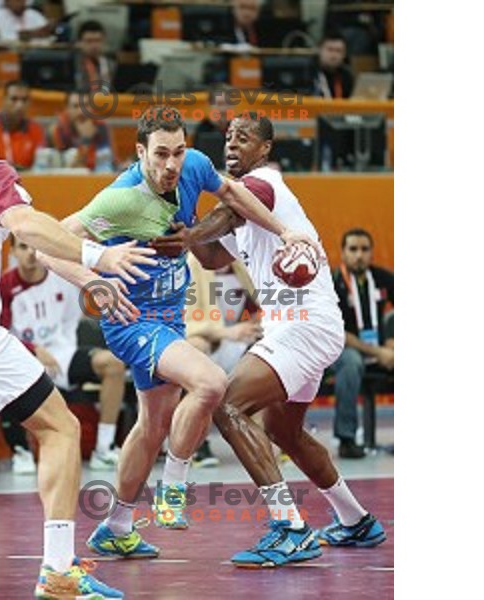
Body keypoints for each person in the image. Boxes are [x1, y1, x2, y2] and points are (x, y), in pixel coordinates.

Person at [36, 105, 305, 559]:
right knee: (211, 383)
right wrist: (95, 279)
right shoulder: (119, 198)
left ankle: (117, 526)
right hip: (132, 320)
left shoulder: (195, 166)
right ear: (140, 151)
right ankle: (172, 488)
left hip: (171, 316)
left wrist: (284, 232)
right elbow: (47, 246)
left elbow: (236, 196)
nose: (171, 165)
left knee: (153, 424)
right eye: (160, 154)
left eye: (178, 152)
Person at [151, 113, 386, 568]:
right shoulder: (242, 211)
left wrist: (191, 233)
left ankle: (289, 528)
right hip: (297, 327)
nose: (232, 144)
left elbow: (220, 218)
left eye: (244, 138)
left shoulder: (265, 182)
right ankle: (355, 520)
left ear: (265, 150)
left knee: (226, 404)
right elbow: (214, 254)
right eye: (228, 138)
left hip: (304, 324)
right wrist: (184, 223)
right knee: (285, 432)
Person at [0, 129, 157, 595]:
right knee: (59, 428)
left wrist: (89, 279)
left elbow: (40, 246)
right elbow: (27, 226)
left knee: (59, 424)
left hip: (41, 350)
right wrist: (100, 255)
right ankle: (59, 569)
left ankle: (60, 566)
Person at [0, 235, 127, 470]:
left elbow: (92, 287)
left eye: (36, 247)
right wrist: (33, 349)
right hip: (22, 356)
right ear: (13, 252)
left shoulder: (62, 277)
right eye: (23, 247)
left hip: (62, 356)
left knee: (113, 363)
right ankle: (21, 451)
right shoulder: (4, 286)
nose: (30, 253)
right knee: (1, 377)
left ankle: (104, 448)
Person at [186, 253, 263, 467]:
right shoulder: (193, 265)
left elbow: (263, 305)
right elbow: (185, 323)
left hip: (239, 343)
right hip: (210, 342)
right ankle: (197, 444)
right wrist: (225, 333)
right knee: (196, 348)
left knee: (274, 353)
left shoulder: (240, 266)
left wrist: (257, 324)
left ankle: (271, 437)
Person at [330, 228, 394, 458]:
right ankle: (346, 439)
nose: (359, 255)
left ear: (371, 252)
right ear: (343, 253)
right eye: (353, 249)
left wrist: (392, 341)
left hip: (380, 349)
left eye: (364, 249)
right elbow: (338, 333)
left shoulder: (382, 278)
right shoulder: (332, 283)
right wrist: (378, 351)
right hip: (341, 349)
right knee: (351, 362)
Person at [49, 91, 116, 172]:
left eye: (86, 106)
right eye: (75, 106)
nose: (81, 112)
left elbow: (108, 160)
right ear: (67, 109)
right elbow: (68, 166)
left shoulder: (101, 127)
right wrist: (86, 140)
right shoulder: (58, 129)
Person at [0, 80, 45, 170]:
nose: (19, 105)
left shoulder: (36, 129)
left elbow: (41, 166)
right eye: (14, 99)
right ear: (4, 100)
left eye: (24, 100)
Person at [74, 20, 116, 92]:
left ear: (104, 41)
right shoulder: (73, 64)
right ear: (79, 43)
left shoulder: (112, 65)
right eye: (89, 41)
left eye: (98, 40)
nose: (94, 46)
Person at [314, 31, 355, 99]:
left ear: (344, 54)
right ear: (320, 50)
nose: (334, 55)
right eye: (330, 50)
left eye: (338, 51)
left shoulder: (346, 76)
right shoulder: (309, 72)